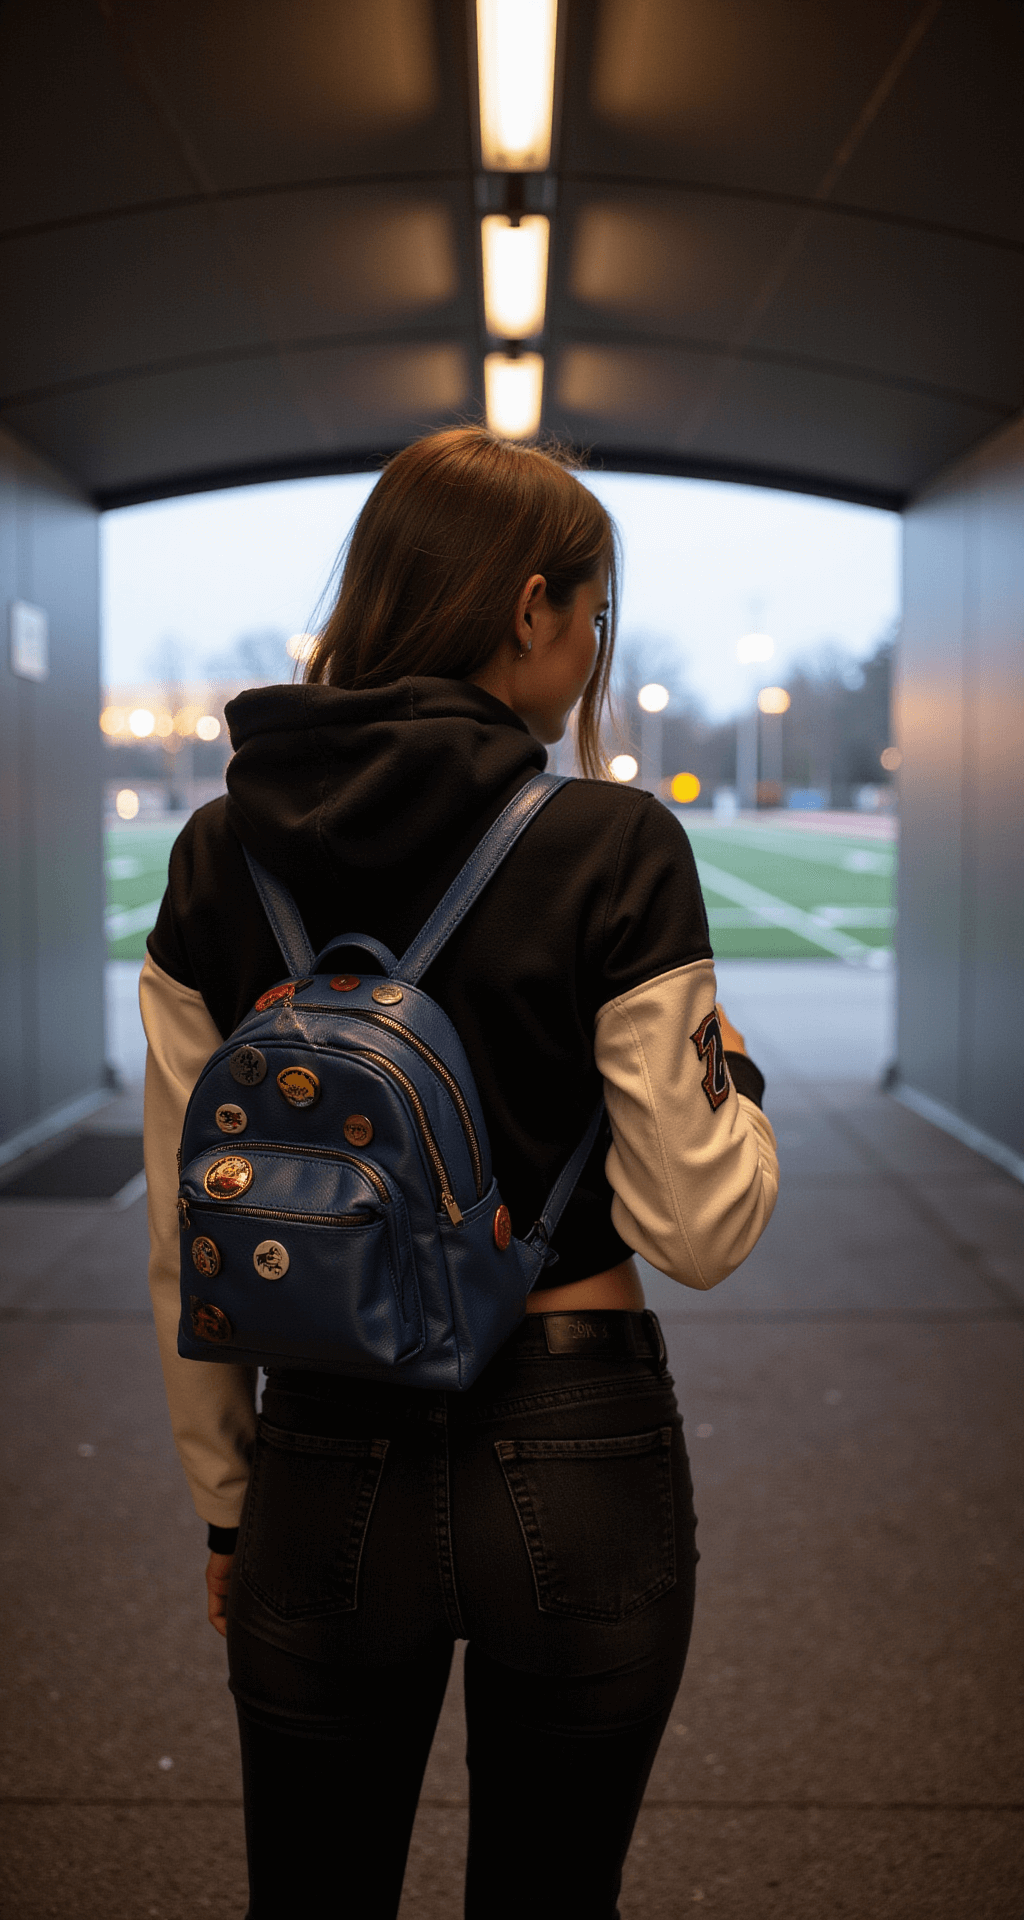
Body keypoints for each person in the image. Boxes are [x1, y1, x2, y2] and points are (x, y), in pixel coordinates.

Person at [140, 427, 779, 1919]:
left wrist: (232, 1510)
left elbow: (192, 1245)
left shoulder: (217, 856)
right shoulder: (612, 844)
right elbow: (704, 1227)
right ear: (530, 606)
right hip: (578, 1440)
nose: (591, 649)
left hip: (321, 1456)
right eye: (593, 616)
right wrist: (734, 1079)